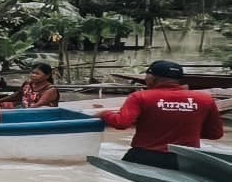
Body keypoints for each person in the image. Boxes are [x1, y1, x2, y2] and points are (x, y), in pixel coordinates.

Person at [95, 60, 224, 169]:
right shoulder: (205, 99)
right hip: (186, 160)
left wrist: (104, 114)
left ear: (151, 77)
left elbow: (121, 123)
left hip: (145, 157)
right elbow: (215, 134)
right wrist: (186, 130)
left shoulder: (141, 97)